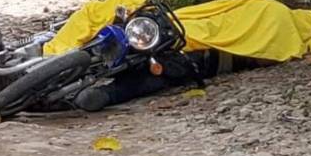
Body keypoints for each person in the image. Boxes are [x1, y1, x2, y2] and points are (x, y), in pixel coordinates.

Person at [73, 50, 271, 112]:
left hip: (192, 63)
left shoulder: (244, 54)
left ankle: (105, 95)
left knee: (156, 77)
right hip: (188, 45)